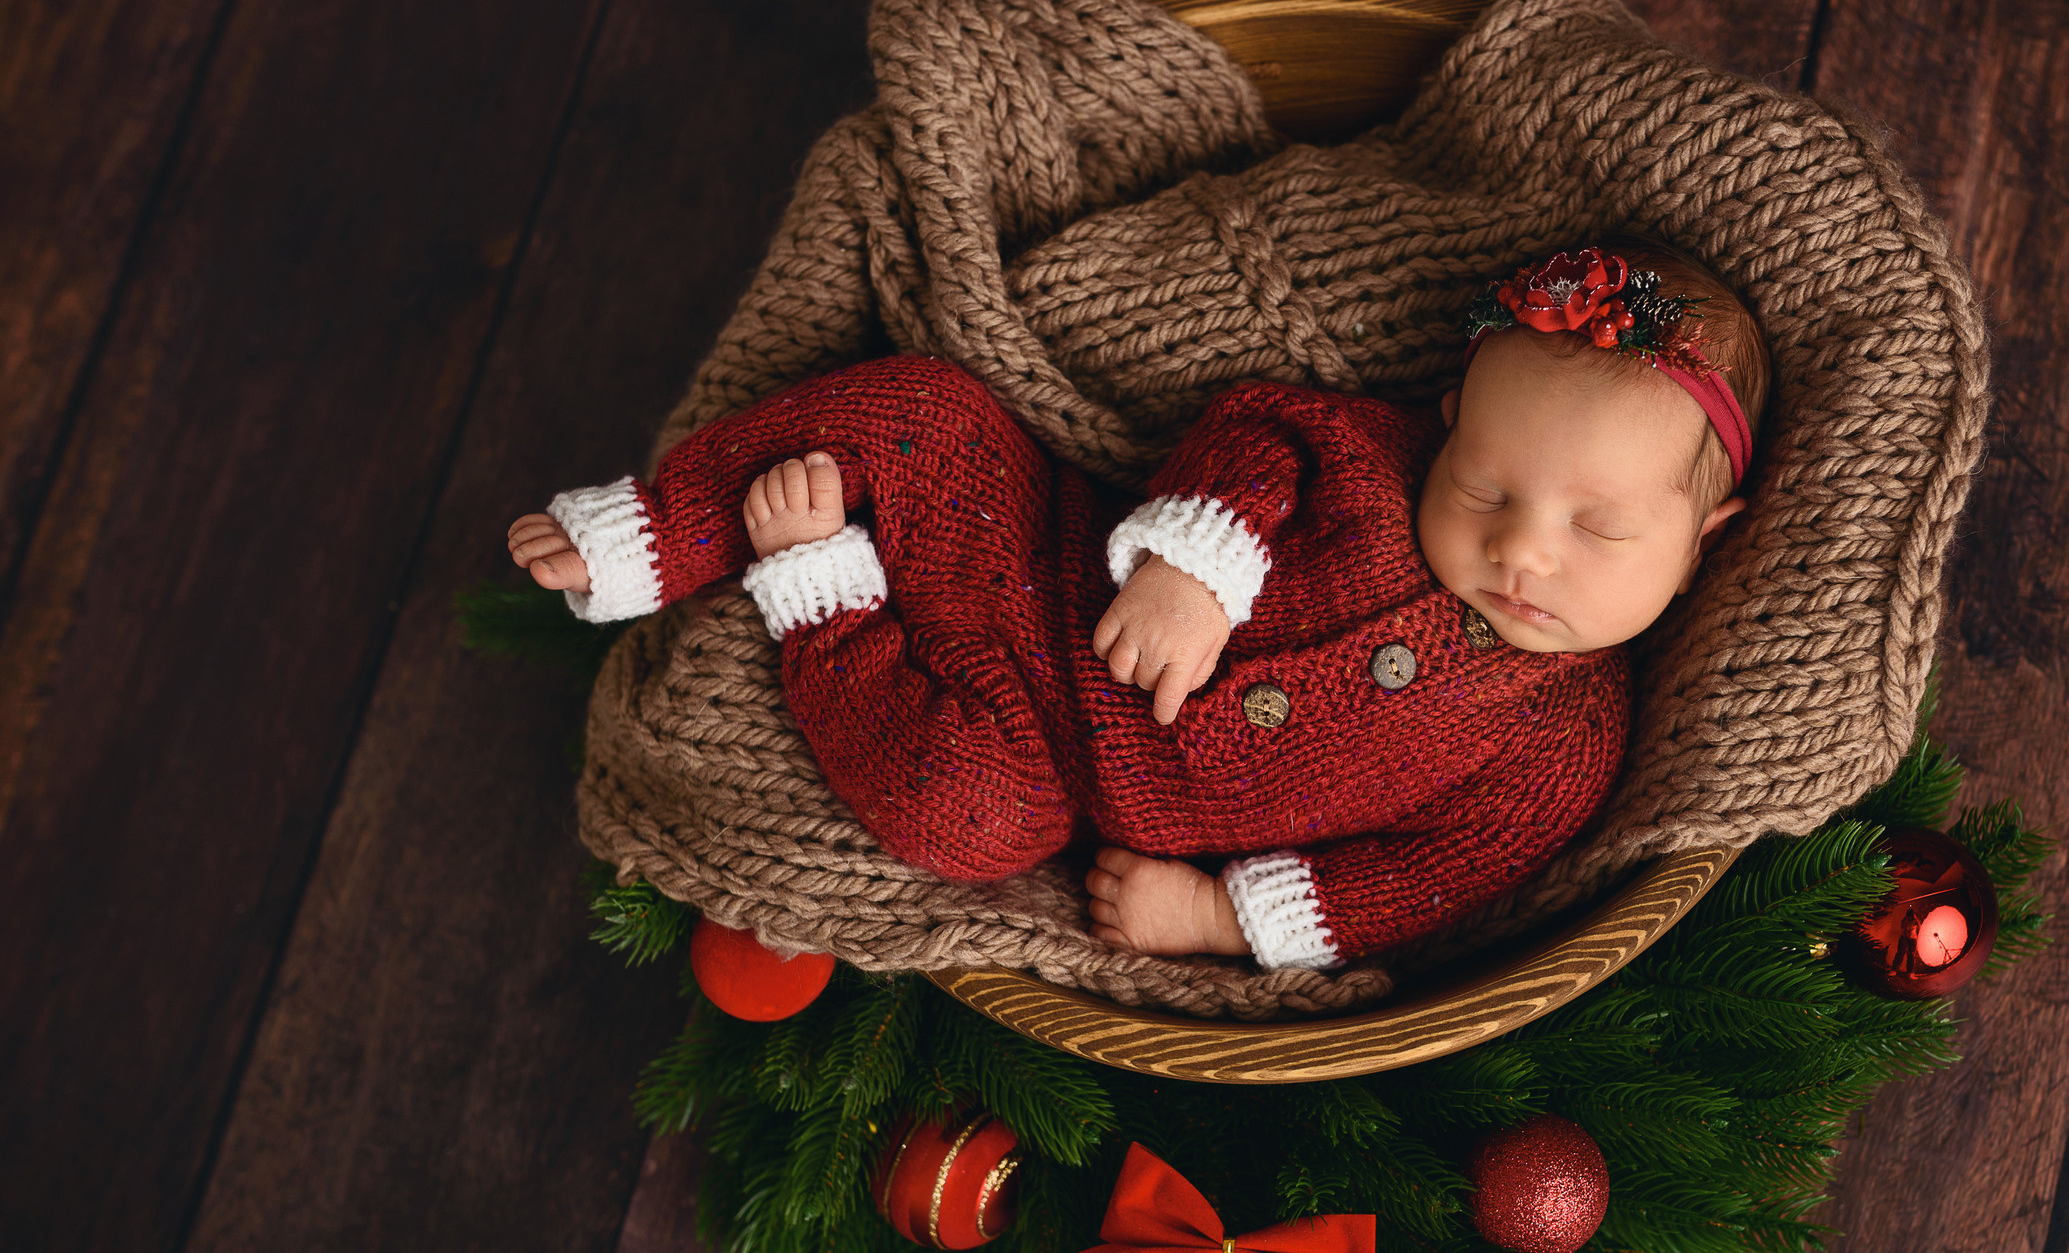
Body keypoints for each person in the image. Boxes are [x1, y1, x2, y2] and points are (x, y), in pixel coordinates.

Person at [507, 243, 1769, 970]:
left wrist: (1221, 913)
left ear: (1702, 542)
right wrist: (1199, 560)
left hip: (1053, 773)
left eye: (1599, 528)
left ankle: (819, 598)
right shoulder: (1375, 467)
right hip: (1040, 577)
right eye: (1483, 484)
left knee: (965, 813)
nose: (1521, 551)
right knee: (929, 412)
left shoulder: (1562, 740)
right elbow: (1266, 427)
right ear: (1443, 428)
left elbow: (1427, 878)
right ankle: (656, 532)